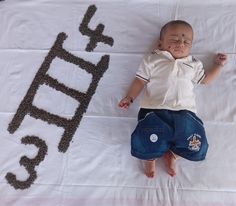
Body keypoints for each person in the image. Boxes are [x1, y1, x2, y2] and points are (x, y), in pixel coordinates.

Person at [118, 20, 227, 178]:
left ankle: (173, 155)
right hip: (154, 112)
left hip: (185, 113)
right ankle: (150, 158)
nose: (181, 43)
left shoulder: (193, 64)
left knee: (196, 144)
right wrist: (130, 97)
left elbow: (206, 80)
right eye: (174, 39)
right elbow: (140, 80)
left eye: (186, 41)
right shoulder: (152, 60)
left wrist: (218, 65)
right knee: (146, 138)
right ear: (160, 43)